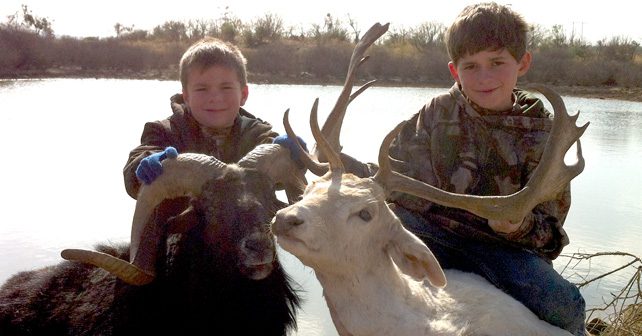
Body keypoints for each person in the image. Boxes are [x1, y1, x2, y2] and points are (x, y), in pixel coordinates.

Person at [341, 3, 586, 335]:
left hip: (503, 251)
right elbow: (391, 179)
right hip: (430, 233)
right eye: (470, 66)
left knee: (565, 304)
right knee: (352, 240)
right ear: (454, 71)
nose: (484, 77)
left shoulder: (545, 135)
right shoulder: (435, 114)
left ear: (523, 63)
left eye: (496, 63)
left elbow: (551, 236)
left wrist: (516, 226)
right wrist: (341, 163)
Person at [122, 37, 305, 283]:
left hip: (253, 245)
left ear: (244, 94)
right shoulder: (164, 131)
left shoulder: (257, 134)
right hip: (181, 254)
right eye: (202, 89)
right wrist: (144, 166)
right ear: (185, 95)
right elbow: (139, 162)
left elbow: (279, 166)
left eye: (226, 87)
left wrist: (295, 155)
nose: (215, 97)